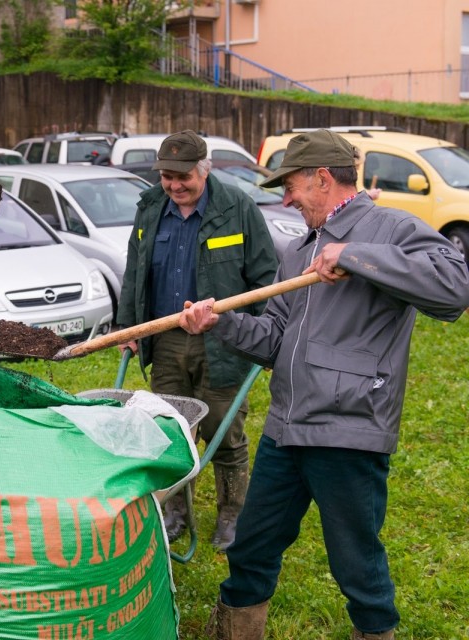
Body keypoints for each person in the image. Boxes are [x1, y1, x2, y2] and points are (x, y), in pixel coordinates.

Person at [179, 129, 469, 640]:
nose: (285, 199)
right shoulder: (300, 251)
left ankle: (375, 632)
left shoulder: (390, 228)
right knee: (251, 546)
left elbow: (454, 288)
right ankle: (235, 630)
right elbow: (273, 340)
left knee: (355, 562)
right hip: (286, 428)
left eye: (290, 185)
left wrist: (354, 255)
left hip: (348, 428)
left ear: (322, 177)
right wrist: (219, 323)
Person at [116, 130, 278, 551]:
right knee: (170, 431)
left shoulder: (237, 208)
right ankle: (176, 512)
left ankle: (231, 514)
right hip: (166, 339)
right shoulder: (151, 208)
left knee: (223, 432)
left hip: (225, 343)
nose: (174, 185)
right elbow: (135, 273)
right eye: (166, 176)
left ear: (204, 170)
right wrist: (127, 328)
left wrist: (264, 338)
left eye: (182, 176)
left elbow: (265, 279)